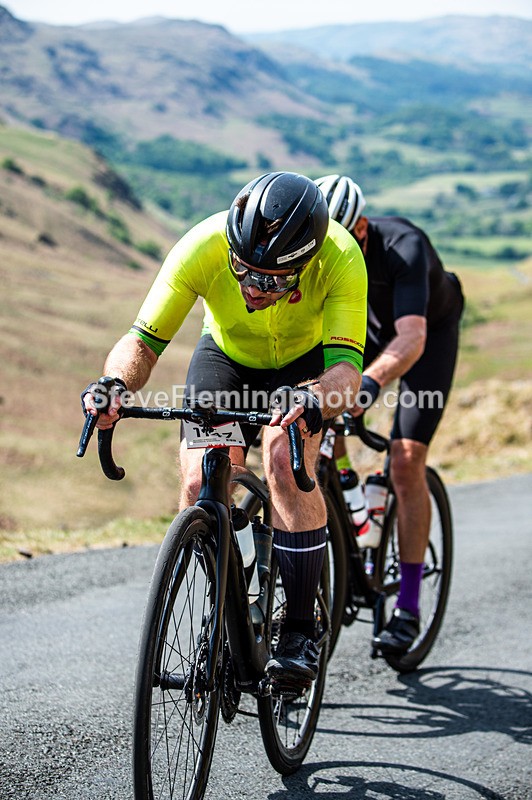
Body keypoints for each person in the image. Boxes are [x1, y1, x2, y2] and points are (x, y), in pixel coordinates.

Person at [82, 171, 368, 688]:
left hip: (305, 369)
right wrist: (113, 385)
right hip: (227, 360)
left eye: (272, 280)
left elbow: (347, 372)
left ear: (304, 265)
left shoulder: (342, 257)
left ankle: (300, 629)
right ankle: (227, 609)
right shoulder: (201, 245)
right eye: (243, 270)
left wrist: (312, 400)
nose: (252, 288)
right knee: (198, 484)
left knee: (284, 458)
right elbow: (142, 341)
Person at [316, 174, 464, 655]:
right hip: (369, 331)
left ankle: (408, 607)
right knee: (317, 422)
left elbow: (411, 339)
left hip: (425, 333)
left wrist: (371, 384)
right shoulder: (316, 250)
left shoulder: (404, 245)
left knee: (403, 461)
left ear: (359, 227)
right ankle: (352, 499)